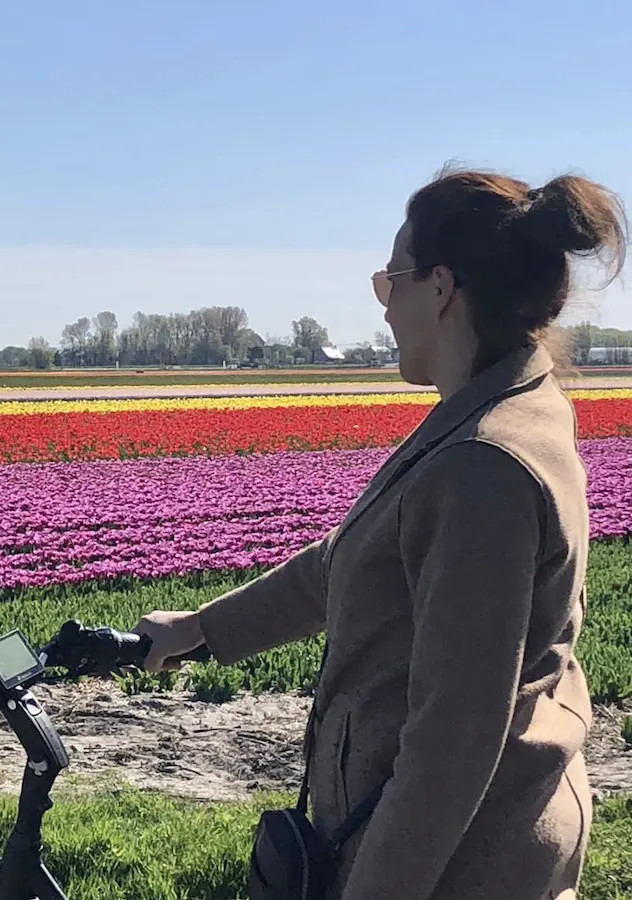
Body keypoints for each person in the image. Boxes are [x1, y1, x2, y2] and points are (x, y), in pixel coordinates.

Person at [137, 165, 627, 900]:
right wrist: (203, 628)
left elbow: (452, 744)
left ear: (439, 287)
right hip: (488, 833)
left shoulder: (481, 467)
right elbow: (350, 563)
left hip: (464, 865)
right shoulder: (503, 405)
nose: (384, 307)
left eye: (388, 280)